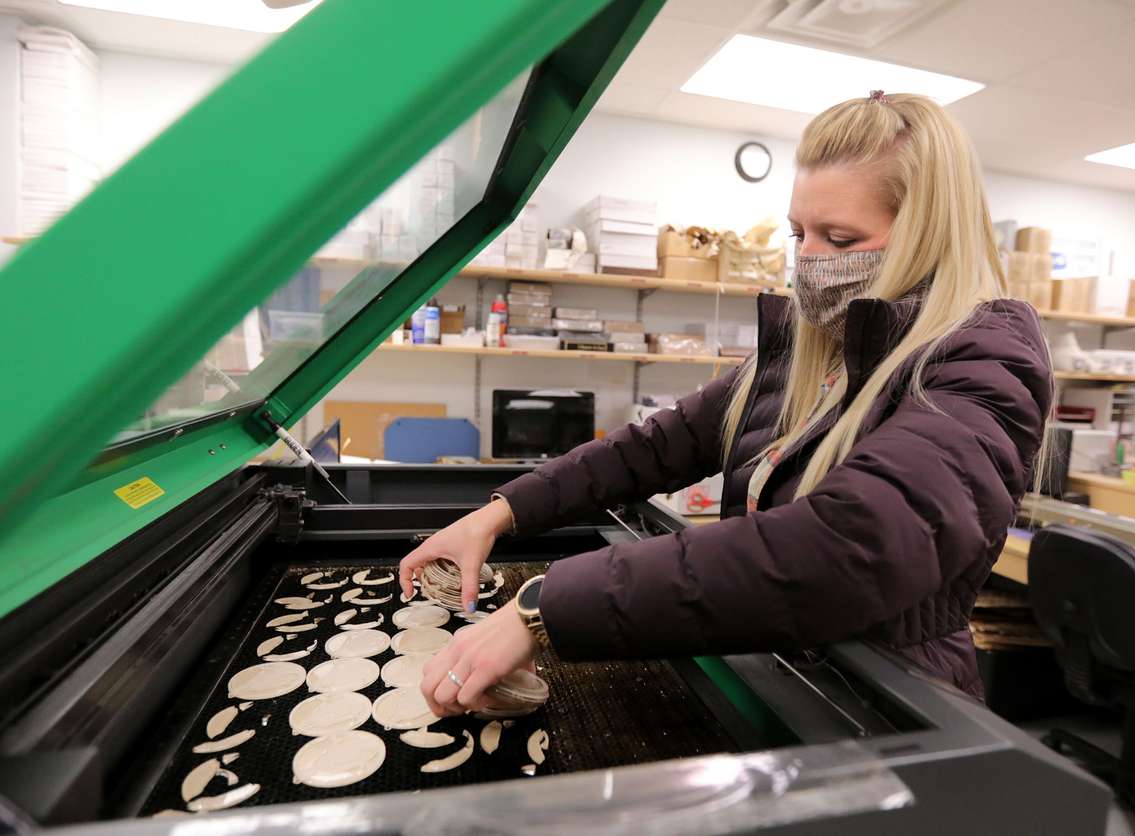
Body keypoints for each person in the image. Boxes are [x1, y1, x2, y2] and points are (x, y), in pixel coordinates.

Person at [398, 91, 1053, 715]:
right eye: (801, 234)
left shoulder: (986, 359)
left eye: (842, 240)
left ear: (927, 236)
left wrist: (546, 607)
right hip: (786, 674)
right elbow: (652, 449)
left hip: (893, 710)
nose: (811, 262)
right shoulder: (809, 349)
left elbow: (852, 547)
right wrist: (501, 513)